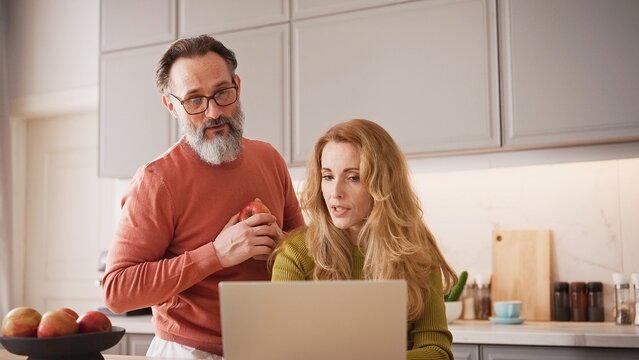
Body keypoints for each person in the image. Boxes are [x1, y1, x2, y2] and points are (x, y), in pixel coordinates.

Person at [102, 35, 305, 359]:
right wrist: (217, 254)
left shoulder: (269, 159)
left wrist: (282, 244)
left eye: (223, 93)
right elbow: (117, 291)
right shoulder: (157, 181)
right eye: (195, 100)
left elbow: (305, 251)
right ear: (171, 105)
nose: (213, 112)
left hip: (269, 345)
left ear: (237, 85)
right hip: (189, 351)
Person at [271, 119, 456, 359]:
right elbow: (280, 351)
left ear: (383, 183)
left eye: (353, 177)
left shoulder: (416, 251)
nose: (335, 191)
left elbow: (437, 352)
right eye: (327, 176)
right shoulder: (295, 254)